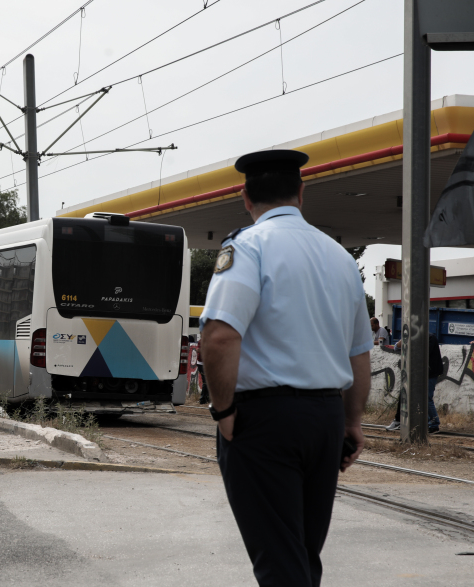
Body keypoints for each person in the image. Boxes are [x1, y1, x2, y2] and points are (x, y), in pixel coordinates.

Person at [200, 149, 371, 587]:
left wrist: (223, 414)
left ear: (246, 198)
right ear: (301, 192)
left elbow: (219, 337)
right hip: (326, 420)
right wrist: (351, 421)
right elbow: (358, 353)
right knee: (301, 555)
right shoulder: (340, 258)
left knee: (280, 563)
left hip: (265, 422)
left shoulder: (247, 247)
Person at [388, 333, 444, 433]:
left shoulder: (430, 338)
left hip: (430, 373)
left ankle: (434, 424)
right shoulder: (413, 337)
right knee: (418, 397)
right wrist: (405, 339)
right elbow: (396, 347)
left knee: (427, 398)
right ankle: (425, 422)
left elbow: (422, 353)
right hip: (420, 373)